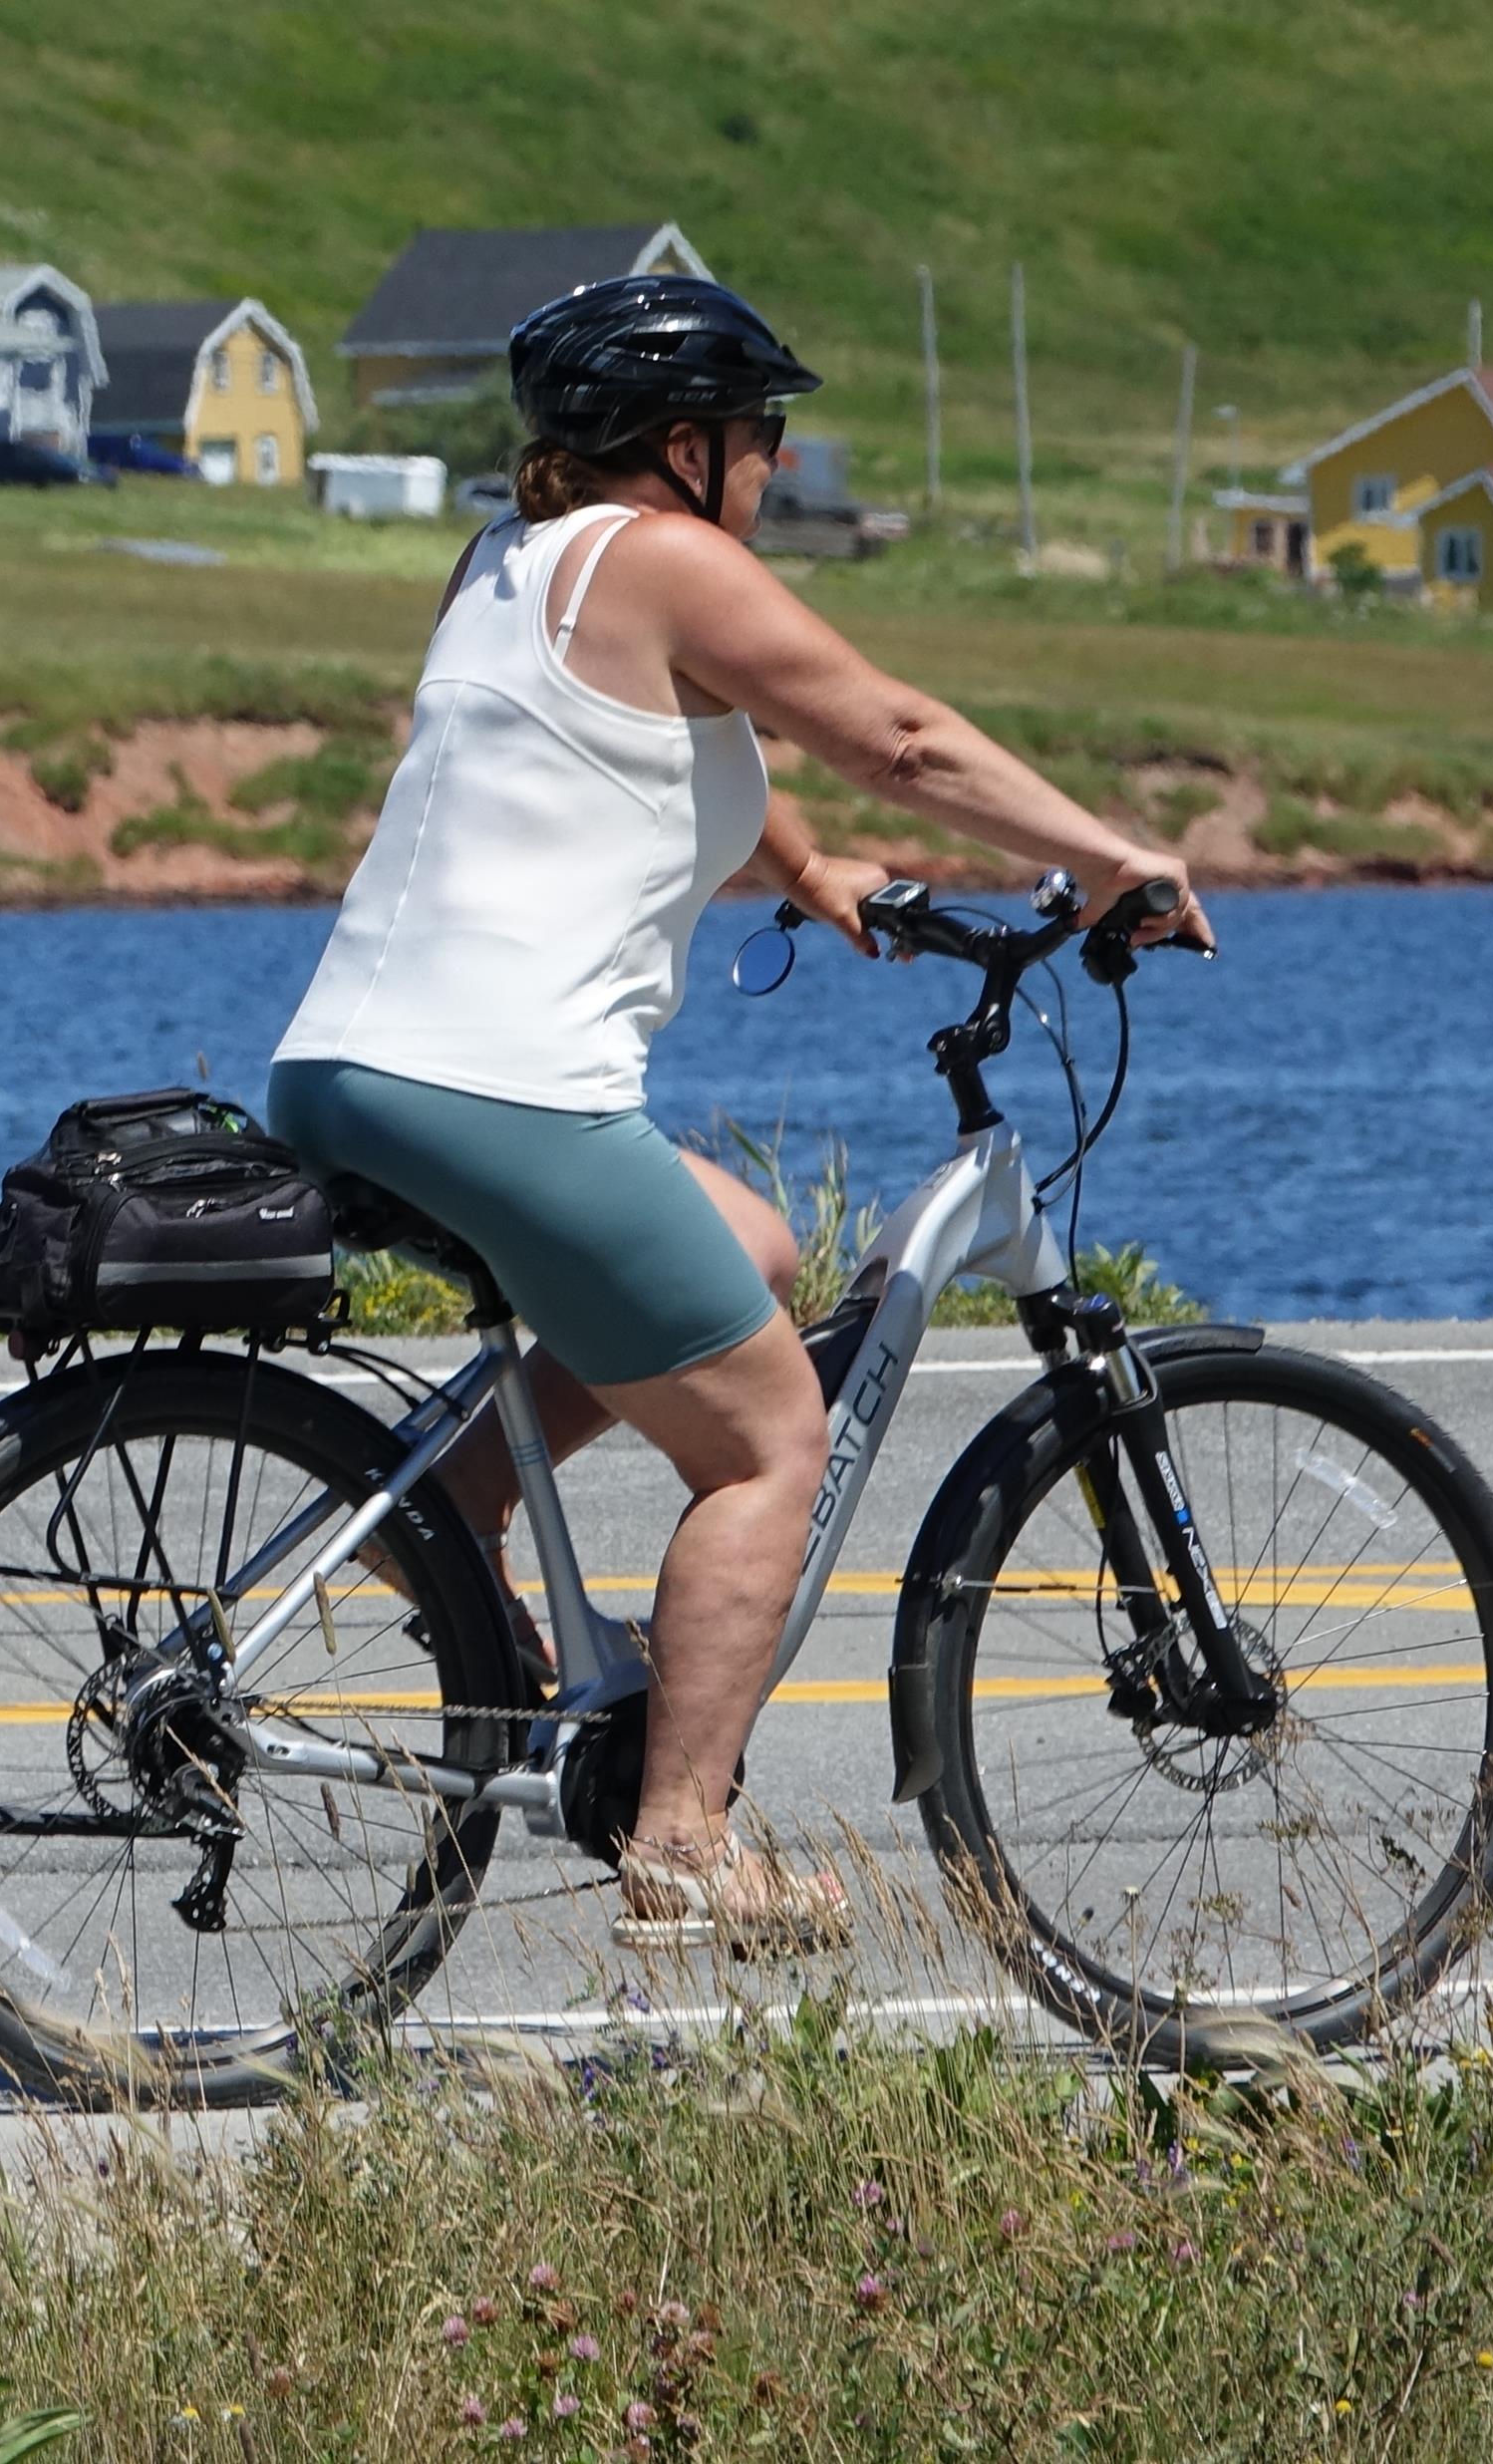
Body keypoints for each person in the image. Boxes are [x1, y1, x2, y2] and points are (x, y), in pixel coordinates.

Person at [264, 276, 1212, 1950]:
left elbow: (633, 745)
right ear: (682, 446)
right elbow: (898, 735)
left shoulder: (503, 567)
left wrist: (811, 872)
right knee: (769, 1436)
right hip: (502, 1088)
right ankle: (683, 1844)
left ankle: (449, 1516)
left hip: (349, 1064)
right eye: (762, 432)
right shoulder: (670, 558)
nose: (774, 464)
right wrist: (1111, 856)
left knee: (752, 1249)